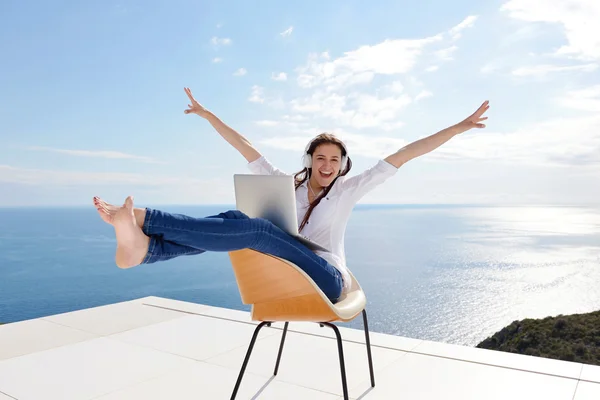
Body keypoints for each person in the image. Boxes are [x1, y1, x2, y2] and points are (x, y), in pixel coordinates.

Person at [93, 87, 490, 303]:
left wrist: (459, 126)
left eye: (335, 159)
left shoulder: (350, 189)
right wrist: (209, 115)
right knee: (236, 221)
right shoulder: (289, 185)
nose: (328, 165)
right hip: (288, 268)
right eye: (321, 158)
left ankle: (145, 219)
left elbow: (407, 153)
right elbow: (245, 147)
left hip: (327, 279)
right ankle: (145, 250)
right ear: (311, 159)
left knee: (259, 231)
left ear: (343, 163)